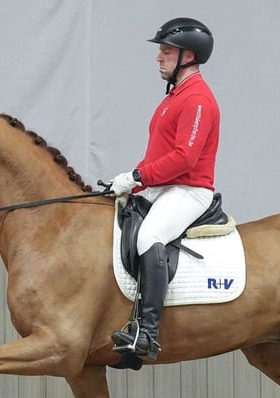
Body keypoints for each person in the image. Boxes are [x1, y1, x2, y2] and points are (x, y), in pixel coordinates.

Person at [108, 17, 220, 361]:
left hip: (189, 190)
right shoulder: (174, 97)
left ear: (188, 56)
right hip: (163, 188)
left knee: (149, 237)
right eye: (161, 51)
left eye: (166, 51)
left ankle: (147, 332)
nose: (159, 57)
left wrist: (136, 176)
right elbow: (161, 152)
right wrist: (135, 184)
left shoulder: (198, 99)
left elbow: (184, 158)